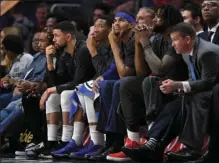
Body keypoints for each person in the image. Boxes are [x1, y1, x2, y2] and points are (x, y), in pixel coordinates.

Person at [122, 23, 219, 163]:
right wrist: (178, 87)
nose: (173, 44)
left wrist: (179, 85)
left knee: (193, 97)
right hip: (212, 91)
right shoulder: (188, 53)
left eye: (175, 40)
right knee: (175, 104)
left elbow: (208, 82)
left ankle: (191, 150)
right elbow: (194, 79)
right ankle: (154, 145)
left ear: (187, 39)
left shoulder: (206, 52)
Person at [112, 5, 188, 162]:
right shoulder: (158, 38)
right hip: (160, 89)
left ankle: (151, 140)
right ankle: (133, 140)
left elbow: (160, 70)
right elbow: (141, 72)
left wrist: (145, 42)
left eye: (158, 17)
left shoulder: (177, 38)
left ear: (168, 20)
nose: (153, 20)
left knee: (151, 81)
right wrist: (139, 44)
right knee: (127, 84)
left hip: (178, 90)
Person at [25, 21, 95, 159]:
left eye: (56, 36)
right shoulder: (64, 55)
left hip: (89, 88)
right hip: (76, 89)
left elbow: (79, 81)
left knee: (63, 95)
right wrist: (49, 61)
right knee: (53, 97)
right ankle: (51, 142)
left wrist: (50, 90)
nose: (54, 39)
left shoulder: (82, 50)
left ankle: (66, 140)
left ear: (68, 37)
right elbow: (57, 82)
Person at [50, 15, 114, 159]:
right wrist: (50, 62)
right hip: (100, 84)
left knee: (85, 87)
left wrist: (92, 50)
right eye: (94, 26)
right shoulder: (100, 47)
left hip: (112, 84)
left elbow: (104, 72)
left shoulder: (90, 48)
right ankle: (72, 140)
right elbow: (58, 81)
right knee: (77, 90)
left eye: (100, 26)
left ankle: (97, 142)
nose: (95, 30)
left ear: (110, 30)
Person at [88, 12, 136, 162]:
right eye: (114, 20)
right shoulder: (121, 41)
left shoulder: (127, 41)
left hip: (139, 81)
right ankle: (109, 142)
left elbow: (124, 73)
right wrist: (103, 77)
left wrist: (111, 45)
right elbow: (111, 69)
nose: (116, 24)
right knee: (105, 84)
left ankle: (114, 142)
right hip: (126, 81)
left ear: (132, 24)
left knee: (113, 85)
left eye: (121, 21)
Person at [0, 35, 33, 109]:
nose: (4, 52)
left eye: (5, 50)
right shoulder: (14, 61)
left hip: (23, 93)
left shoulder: (27, 59)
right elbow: (9, 79)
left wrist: (13, 82)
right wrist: (6, 79)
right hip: (12, 91)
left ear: (11, 50)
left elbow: (32, 79)